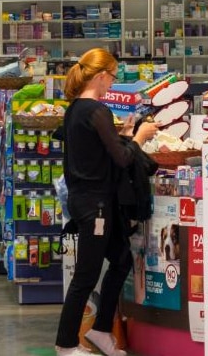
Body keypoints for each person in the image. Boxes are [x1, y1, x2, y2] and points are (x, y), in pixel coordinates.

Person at [55, 48, 158, 356]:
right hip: (95, 206)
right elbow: (123, 159)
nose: (112, 84)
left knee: (123, 258)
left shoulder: (75, 110)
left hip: (87, 201)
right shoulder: (96, 111)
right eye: (112, 77)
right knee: (86, 276)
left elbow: (101, 154)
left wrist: (123, 136)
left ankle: (101, 330)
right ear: (101, 76)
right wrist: (139, 137)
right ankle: (66, 344)